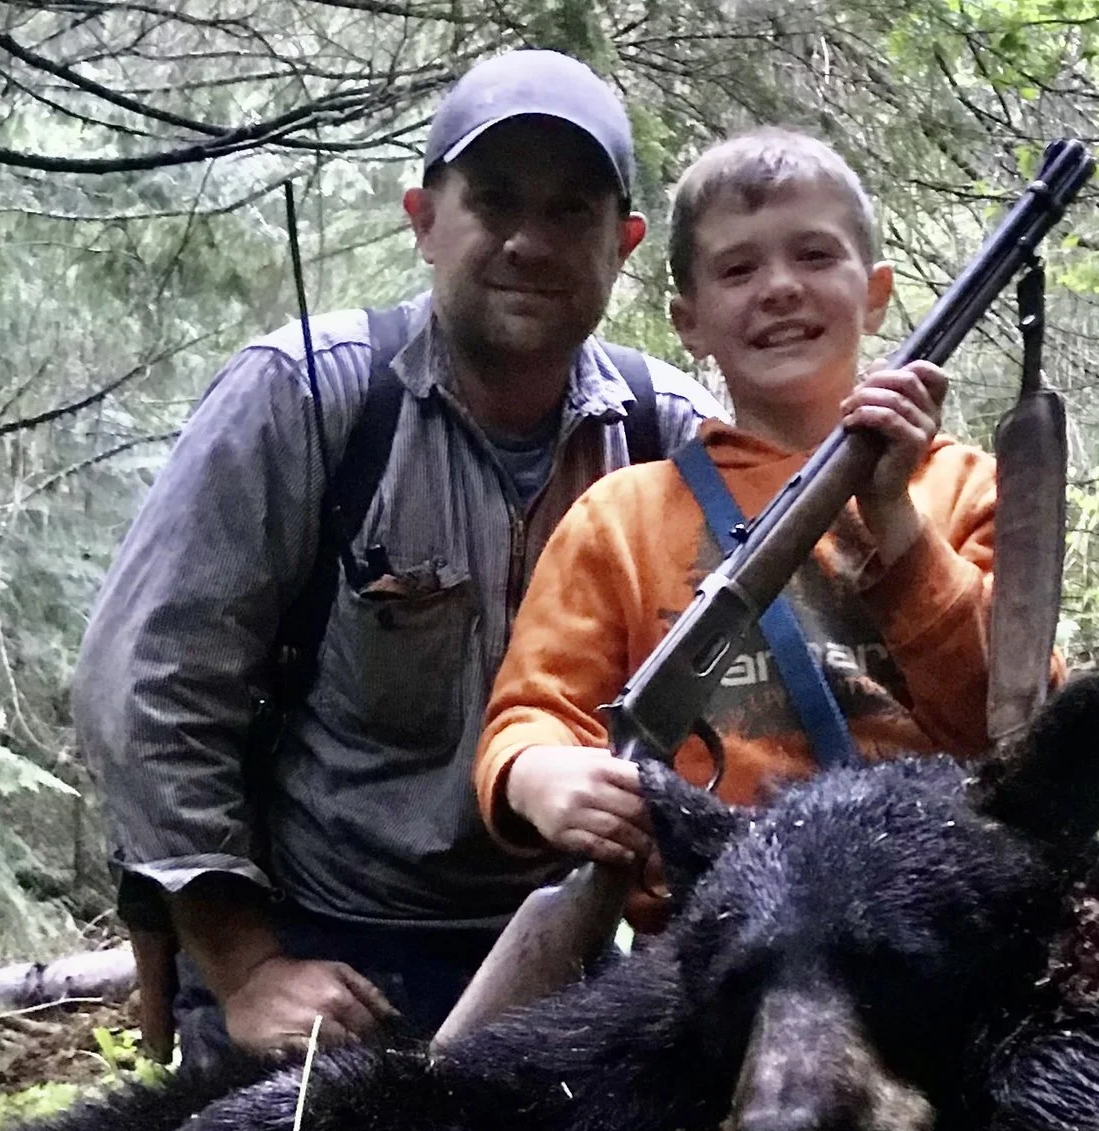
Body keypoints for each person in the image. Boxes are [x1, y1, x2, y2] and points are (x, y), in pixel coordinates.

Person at [73, 51, 711, 1056]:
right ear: (422, 219)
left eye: (569, 212)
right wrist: (244, 969)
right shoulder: (307, 397)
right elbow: (147, 688)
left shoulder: (671, 437)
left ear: (623, 244)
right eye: (493, 200)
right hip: (319, 955)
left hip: (570, 955)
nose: (528, 240)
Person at [474, 127, 998, 892]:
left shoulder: (964, 487)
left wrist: (896, 521)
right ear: (689, 322)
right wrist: (536, 773)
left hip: (935, 915)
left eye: (814, 255)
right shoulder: (620, 519)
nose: (779, 287)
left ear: (876, 294)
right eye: (738, 268)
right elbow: (534, 711)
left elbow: (1006, 725)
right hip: (713, 931)